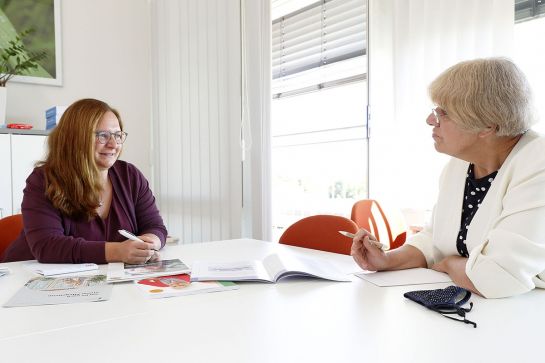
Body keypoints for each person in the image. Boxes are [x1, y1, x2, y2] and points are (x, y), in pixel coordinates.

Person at [351, 58, 545, 299]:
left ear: (487, 125)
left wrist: (450, 264)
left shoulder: (539, 162)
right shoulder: (459, 165)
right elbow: (434, 240)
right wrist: (387, 260)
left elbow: (499, 277)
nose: (431, 120)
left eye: (443, 113)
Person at [2, 98, 167, 264]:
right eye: (103, 135)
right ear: (76, 138)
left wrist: (148, 244)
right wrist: (118, 251)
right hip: (28, 279)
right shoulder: (43, 180)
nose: (113, 144)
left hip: (101, 281)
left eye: (117, 135)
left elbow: (155, 226)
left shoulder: (130, 176)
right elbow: (47, 246)